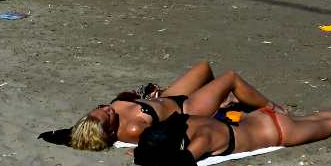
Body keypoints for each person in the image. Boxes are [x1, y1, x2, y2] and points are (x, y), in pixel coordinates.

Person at [69, 60, 274, 150]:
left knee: (203, 67)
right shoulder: (132, 129)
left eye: (102, 106)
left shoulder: (101, 118)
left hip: (168, 97)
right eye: (108, 114)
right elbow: (166, 137)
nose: (108, 108)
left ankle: (220, 98)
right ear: (109, 130)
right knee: (230, 77)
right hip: (187, 108)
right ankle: (272, 107)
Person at [134, 102, 331, 166]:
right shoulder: (187, 122)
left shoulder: (201, 139)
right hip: (262, 116)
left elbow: (182, 164)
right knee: (315, 118)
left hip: (279, 133)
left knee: (330, 126)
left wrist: (149, 158)